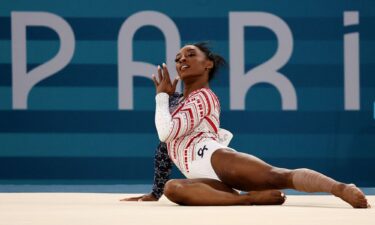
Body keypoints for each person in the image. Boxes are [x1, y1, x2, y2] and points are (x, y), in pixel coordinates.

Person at [123, 42, 369, 208]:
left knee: (277, 176)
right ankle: (247, 199)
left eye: (190, 54)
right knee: (173, 188)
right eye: (178, 58)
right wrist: (155, 192)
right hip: (201, 180)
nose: (181, 59)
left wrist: (161, 97)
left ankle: (340, 188)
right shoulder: (176, 103)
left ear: (207, 64)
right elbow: (164, 148)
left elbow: (165, 132)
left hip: (215, 159)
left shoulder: (204, 97)